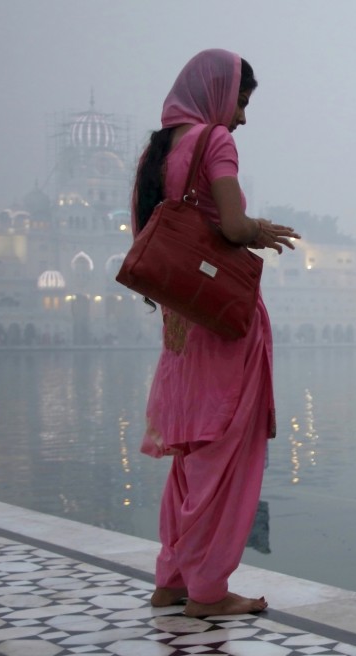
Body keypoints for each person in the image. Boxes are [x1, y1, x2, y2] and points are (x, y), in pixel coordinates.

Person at [131, 49, 299, 618]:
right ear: (218, 95)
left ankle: (172, 578)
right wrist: (260, 230)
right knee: (225, 450)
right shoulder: (216, 141)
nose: (242, 118)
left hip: (182, 319)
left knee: (192, 450)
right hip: (223, 316)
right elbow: (230, 226)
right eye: (241, 103)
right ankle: (208, 590)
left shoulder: (160, 151)